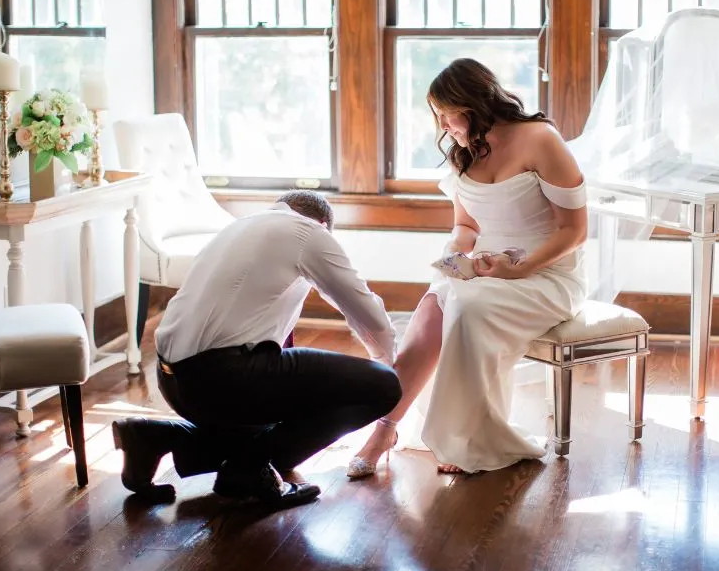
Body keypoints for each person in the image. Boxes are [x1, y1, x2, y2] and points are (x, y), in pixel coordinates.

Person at [347, 58, 588, 477]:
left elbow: (575, 231)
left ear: (472, 102)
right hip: (486, 271)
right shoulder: (465, 153)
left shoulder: (540, 140)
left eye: (446, 113)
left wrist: (519, 268)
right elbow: (466, 226)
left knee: (468, 307)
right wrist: (457, 257)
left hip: (546, 275)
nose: (442, 125)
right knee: (430, 309)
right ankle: (384, 429)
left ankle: (467, 437)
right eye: (436, 115)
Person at [111, 190, 402, 507]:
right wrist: (387, 362)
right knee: (383, 386)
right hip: (224, 378)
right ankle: (248, 469)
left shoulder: (239, 227)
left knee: (267, 431)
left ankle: (157, 437)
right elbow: (366, 313)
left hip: (172, 378)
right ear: (322, 224)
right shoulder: (309, 233)